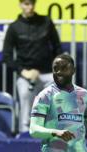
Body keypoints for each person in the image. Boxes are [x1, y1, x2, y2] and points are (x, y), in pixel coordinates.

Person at [4, 0, 62, 133]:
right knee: (25, 96)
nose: (29, 7)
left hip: (48, 73)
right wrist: (23, 72)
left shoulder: (46, 22)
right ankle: (24, 133)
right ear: (20, 5)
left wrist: (56, 70)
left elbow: (57, 48)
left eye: (31, 4)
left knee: (56, 98)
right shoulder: (14, 27)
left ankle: (53, 132)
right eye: (26, 4)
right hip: (26, 74)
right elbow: (6, 56)